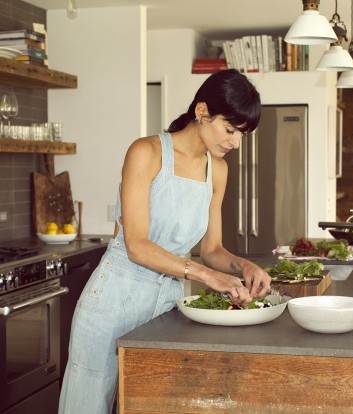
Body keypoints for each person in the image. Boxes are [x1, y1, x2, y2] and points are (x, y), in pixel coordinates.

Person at [58, 68, 272, 414]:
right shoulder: (147, 152)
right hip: (112, 301)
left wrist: (243, 266)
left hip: (166, 306)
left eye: (242, 134)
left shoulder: (217, 170)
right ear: (202, 112)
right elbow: (137, 245)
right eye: (230, 130)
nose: (235, 142)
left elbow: (211, 249)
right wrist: (205, 276)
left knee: (155, 403)